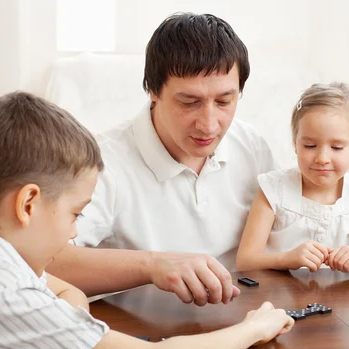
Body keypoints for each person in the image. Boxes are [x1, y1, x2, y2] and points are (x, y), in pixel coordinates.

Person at [0, 92, 294, 349]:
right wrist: (253, 328)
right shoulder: (4, 297)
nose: (75, 230)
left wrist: (61, 337)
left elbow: (61, 290)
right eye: (75, 214)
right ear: (28, 204)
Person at [47, 12, 277, 305]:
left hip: (243, 321)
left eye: (224, 101)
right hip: (143, 337)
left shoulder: (252, 146)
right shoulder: (101, 163)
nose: (209, 124)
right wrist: (152, 266)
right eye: (189, 102)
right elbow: (46, 262)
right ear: (153, 91)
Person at [236, 83, 349, 274]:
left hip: (339, 302)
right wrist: (287, 258)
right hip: (279, 300)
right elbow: (245, 261)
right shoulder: (274, 190)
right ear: (295, 143)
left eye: (337, 148)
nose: (322, 159)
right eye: (310, 145)